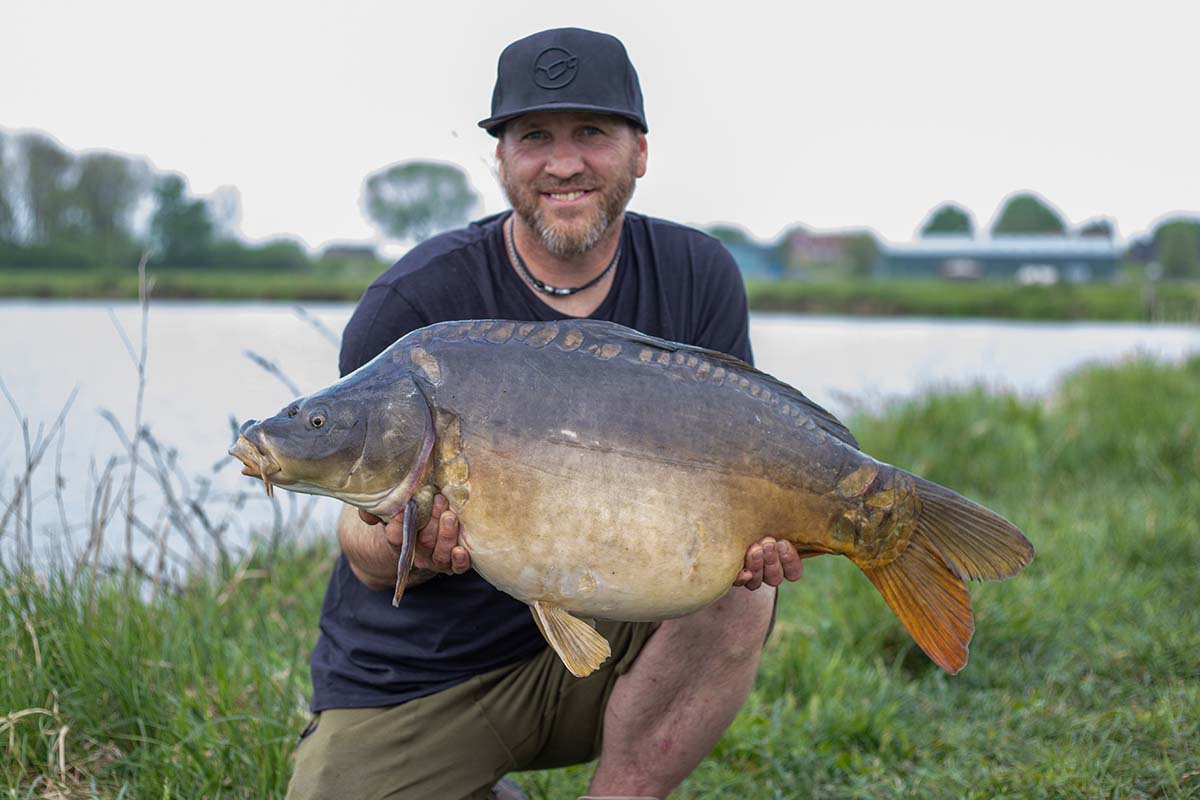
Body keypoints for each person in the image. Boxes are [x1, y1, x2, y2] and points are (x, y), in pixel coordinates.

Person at [286, 27, 804, 800]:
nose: (564, 163)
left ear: (640, 150)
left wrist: (763, 539)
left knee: (742, 595)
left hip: (615, 640)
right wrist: (405, 540)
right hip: (424, 670)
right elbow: (361, 549)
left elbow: (741, 470)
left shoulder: (700, 278)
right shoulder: (413, 305)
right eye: (535, 138)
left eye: (591, 132)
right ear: (501, 159)